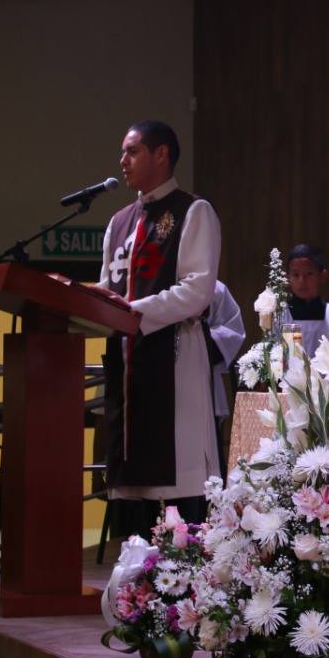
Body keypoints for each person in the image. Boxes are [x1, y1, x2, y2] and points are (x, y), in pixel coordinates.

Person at [99, 119, 221, 537]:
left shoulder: (193, 211)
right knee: (130, 497)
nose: (123, 161)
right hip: (125, 369)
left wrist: (130, 313)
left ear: (162, 154)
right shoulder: (118, 222)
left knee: (175, 493)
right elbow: (107, 288)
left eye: (131, 151)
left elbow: (197, 291)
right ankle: (131, 596)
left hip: (173, 360)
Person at [286, 243, 329, 367]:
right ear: (288, 278)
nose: (302, 281)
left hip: (327, 385)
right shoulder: (279, 316)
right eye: (296, 275)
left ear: (322, 276)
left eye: (309, 274)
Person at [204, 279, 245, 474]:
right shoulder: (153, 284)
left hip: (203, 382)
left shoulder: (212, 287)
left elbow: (233, 330)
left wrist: (198, 341)